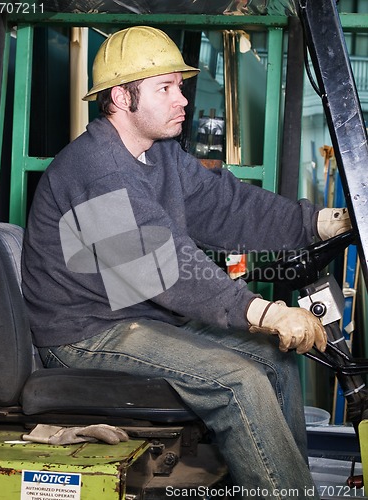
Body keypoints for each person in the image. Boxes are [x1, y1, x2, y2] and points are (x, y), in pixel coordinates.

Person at [22, 26, 352, 498]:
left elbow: (230, 206)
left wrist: (322, 222)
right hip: (85, 333)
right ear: (121, 96)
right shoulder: (95, 170)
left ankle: (284, 483)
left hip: (136, 316)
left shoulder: (159, 155)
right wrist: (264, 312)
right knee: (240, 381)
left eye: (180, 85)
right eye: (166, 88)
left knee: (272, 358)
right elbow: (165, 269)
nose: (183, 99)